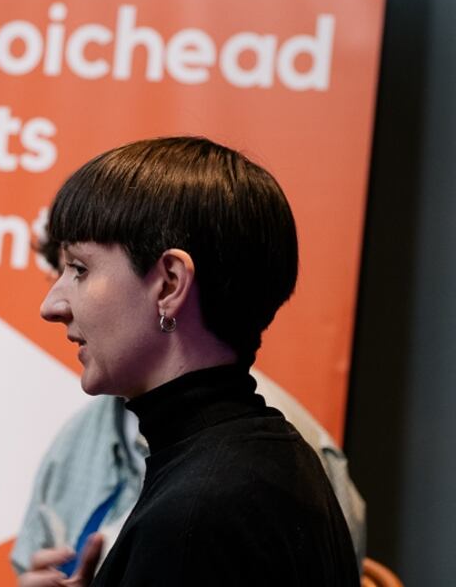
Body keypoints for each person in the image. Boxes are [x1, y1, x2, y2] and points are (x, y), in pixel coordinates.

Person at [19, 136, 360, 586]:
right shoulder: (277, 459)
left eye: (80, 269)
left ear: (169, 284)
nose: (52, 304)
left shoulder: (196, 516)